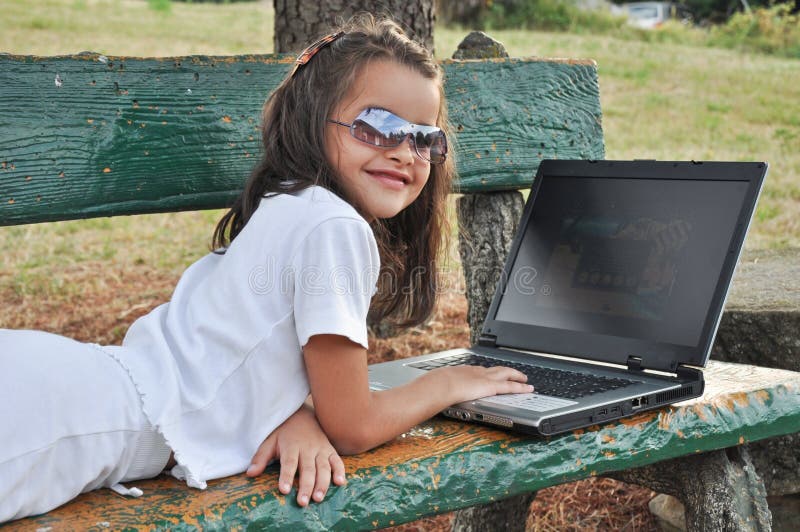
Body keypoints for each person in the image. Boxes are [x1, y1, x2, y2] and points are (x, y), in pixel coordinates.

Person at [0, 15, 532, 523]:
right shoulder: (334, 227)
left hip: (71, 388)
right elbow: (353, 425)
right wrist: (449, 383)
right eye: (378, 126)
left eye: (425, 137)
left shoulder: (293, 204)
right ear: (314, 121)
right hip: (68, 424)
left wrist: (291, 415)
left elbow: (241, 356)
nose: (405, 151)